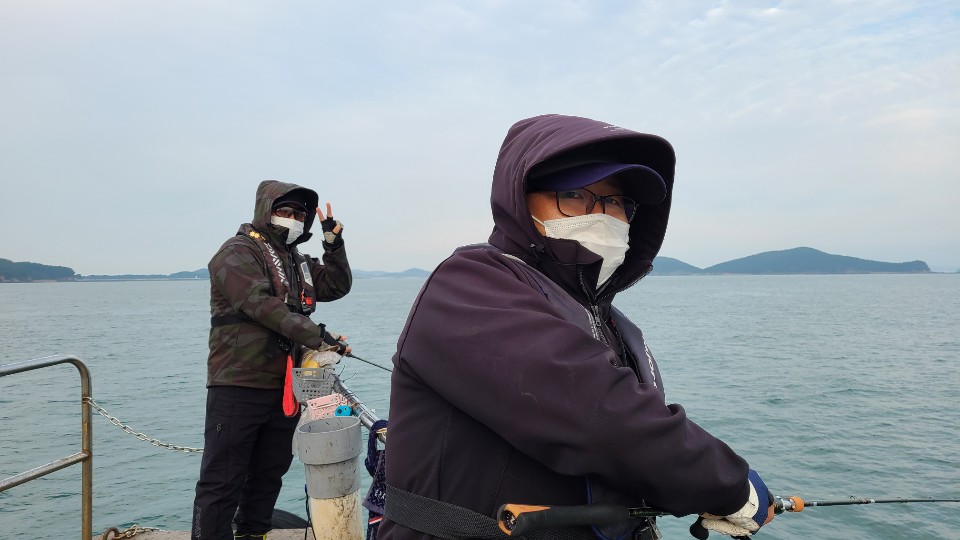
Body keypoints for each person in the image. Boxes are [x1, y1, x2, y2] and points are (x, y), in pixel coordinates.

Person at [379, 114, 774, 539]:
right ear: (520, 199)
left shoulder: (611, 321)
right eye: (573, 195)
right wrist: (729, 486)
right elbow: (599, 415)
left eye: (616, 202)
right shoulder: (467, 288)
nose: (601, 214)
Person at [191, 180, 353, 540]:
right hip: (239, 383)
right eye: (285, 211)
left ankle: (253, 534)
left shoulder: (298, 262)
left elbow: (336, 286)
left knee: (268, 473)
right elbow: (262, 305)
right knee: (222, 479)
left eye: (300, 214)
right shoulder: (237, 252)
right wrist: (320, 337)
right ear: (266, 211)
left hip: (283, 388)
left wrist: (333, 244)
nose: (293, 219)